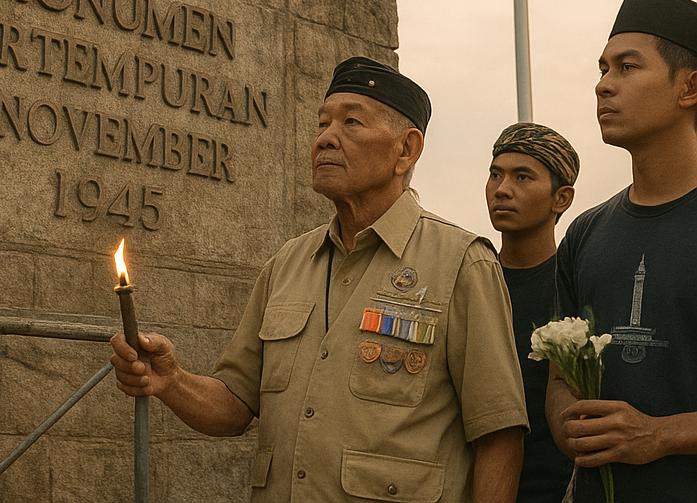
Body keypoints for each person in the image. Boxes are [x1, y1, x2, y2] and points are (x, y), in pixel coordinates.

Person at [112, 56, 529, 502]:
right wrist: (171, 382)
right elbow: (235, 405)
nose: (325, 139)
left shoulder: (461, 263)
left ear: (406, 150)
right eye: (322, 124)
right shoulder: (287, 264)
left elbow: (498, 433)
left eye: (351, 123)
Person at [548, 0, 697, 502]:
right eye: (602, 68)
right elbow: (559, 376)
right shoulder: (586, 232)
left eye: (627, 68)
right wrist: (570, 422)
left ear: (690, 87)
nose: (603, 85)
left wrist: (660, 435)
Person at [486, 122, 578, 502]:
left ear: (561, 199)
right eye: (495, 174)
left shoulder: (575, 288)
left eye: (522, 177)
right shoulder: (470, 281)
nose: (502, 189)